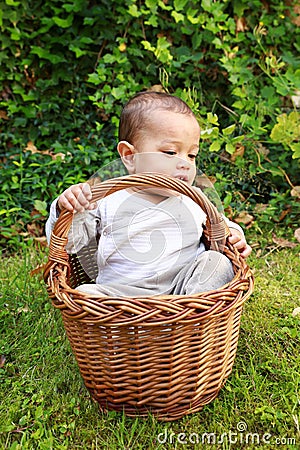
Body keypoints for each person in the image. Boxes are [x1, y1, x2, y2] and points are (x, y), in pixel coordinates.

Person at [46, 91, 251, 297]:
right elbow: (71, 243)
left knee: (217, 263)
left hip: (183, 292)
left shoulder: (194, 199)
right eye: (170, 152)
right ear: (130, 156)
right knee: (84, 294)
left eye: (192, 155)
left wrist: (235, 235)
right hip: (120, 298)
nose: (185, 164)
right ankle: (140, 325)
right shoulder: (106, 200)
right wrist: (70, 206)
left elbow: (220, 225)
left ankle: (189, 318)